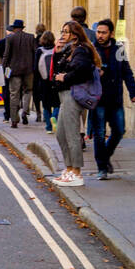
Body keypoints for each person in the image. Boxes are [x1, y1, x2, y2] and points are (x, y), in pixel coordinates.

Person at [51, 20, 100, 187]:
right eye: (62, 31)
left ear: (74, 34)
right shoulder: (70, 50)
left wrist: (65, 77)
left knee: (71, 135)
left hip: (73, 96)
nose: (63, 35)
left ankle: (77, 173)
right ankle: (69, 169)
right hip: (65, 95)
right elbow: (60, 67)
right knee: (61, 134)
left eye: (66, 32)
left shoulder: (82, 50)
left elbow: (82, 71)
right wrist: (57, 52)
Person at [92, 19, 135, 180]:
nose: (100, 35)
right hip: (98, 99)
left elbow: (127, 72)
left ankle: (105, 157)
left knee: (119, 130)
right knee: (99, 134)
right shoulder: (91, 49)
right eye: (98, 32)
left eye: (103, 32)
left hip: (115, 98)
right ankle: (102, 168)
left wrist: (133, 92)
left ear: (111, 34)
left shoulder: (119, 49)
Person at [2, 19, 36, 128]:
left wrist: (3, 69)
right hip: (28, 69)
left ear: (14, 28)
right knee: (28, 91)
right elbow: (35, 53)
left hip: (14, 70)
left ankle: (14, 120)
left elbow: (6, 55)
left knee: (14, 94)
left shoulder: (10, 38)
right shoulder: (31, 37)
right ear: (22, 28)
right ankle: (25, 111)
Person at [35, 30, 59, 132]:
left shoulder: (39, 51)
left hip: (43, 81)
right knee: (57, 103)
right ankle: (54, 116)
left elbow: (35, 68)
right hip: (55, 81)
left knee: (46, 105)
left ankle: (49, 127)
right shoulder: (56, 49)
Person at [31, 24, 47, 123]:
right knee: (45, 93)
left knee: (36, 93)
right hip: (46, 71)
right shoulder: (48, 40)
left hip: (35, 70)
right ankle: (46, 114)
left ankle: (38, 113)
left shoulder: (33, 41)